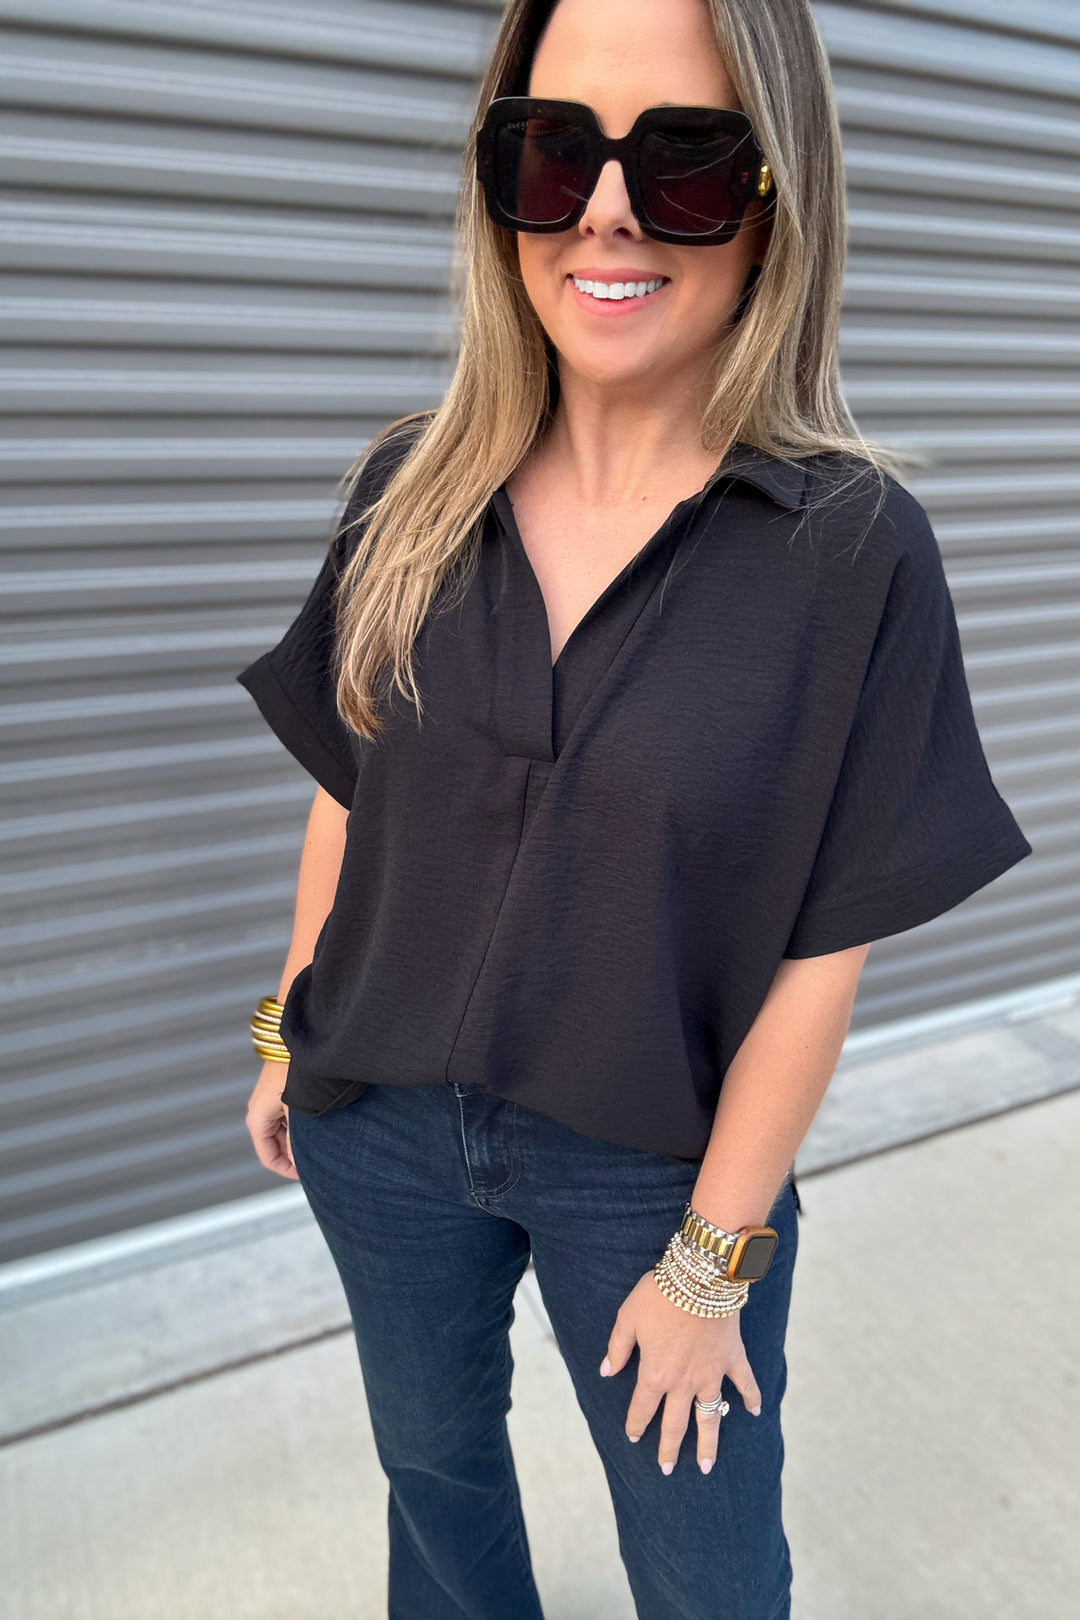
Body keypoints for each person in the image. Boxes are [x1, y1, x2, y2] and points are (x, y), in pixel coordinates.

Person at [236, 0, 1033, 1614]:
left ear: (776, 194)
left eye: (683, 160)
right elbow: (352, 784)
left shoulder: (854, 552)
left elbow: (823, 947)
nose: (604, 210)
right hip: (379, 1127)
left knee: (708, 1562)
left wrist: (713, 1258)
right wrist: (285, 1026)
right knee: (433, 1474)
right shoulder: (410, 489)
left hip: (656, 1173)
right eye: (551, 151)